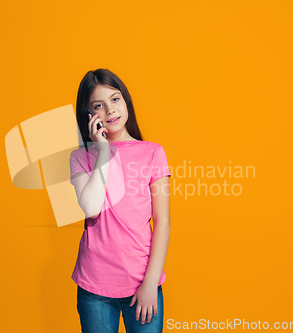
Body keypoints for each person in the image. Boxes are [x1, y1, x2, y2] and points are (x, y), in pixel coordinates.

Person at [69, 68, 171, 333]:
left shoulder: (152, 153)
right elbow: (91, 209)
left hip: (143, 282)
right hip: (95, 288)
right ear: (89, 115)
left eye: (115, 99)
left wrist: (150, 284)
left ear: (126, 101)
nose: (110, 110)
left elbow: (162, 222)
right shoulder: (81, 158)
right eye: (98, 105)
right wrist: (102, 151)